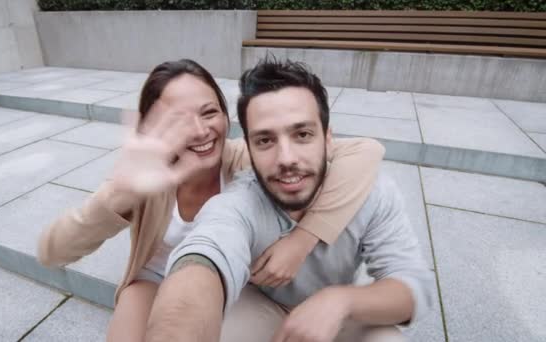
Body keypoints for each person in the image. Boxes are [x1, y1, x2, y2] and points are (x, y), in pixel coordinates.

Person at [37, 59, 385, 341]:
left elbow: (366, 152)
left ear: (225, 115)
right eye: (179, 120)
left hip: (228, 285)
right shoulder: (144, 177)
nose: (202, 131)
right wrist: (118, 195)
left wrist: (303, 239)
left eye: (209, 112)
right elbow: (52, 253)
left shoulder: (246, 160)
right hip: (151, 280)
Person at [144, 59, 434, 342]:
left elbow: (412, 286)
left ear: (328, 138)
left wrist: (340, 301)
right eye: (265, 141)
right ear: (249, 148)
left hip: (343, 318)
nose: (287, 159)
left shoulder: (374, 193)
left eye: (303, 134)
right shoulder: (240, 200)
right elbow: (203, 257)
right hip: (258, 307)